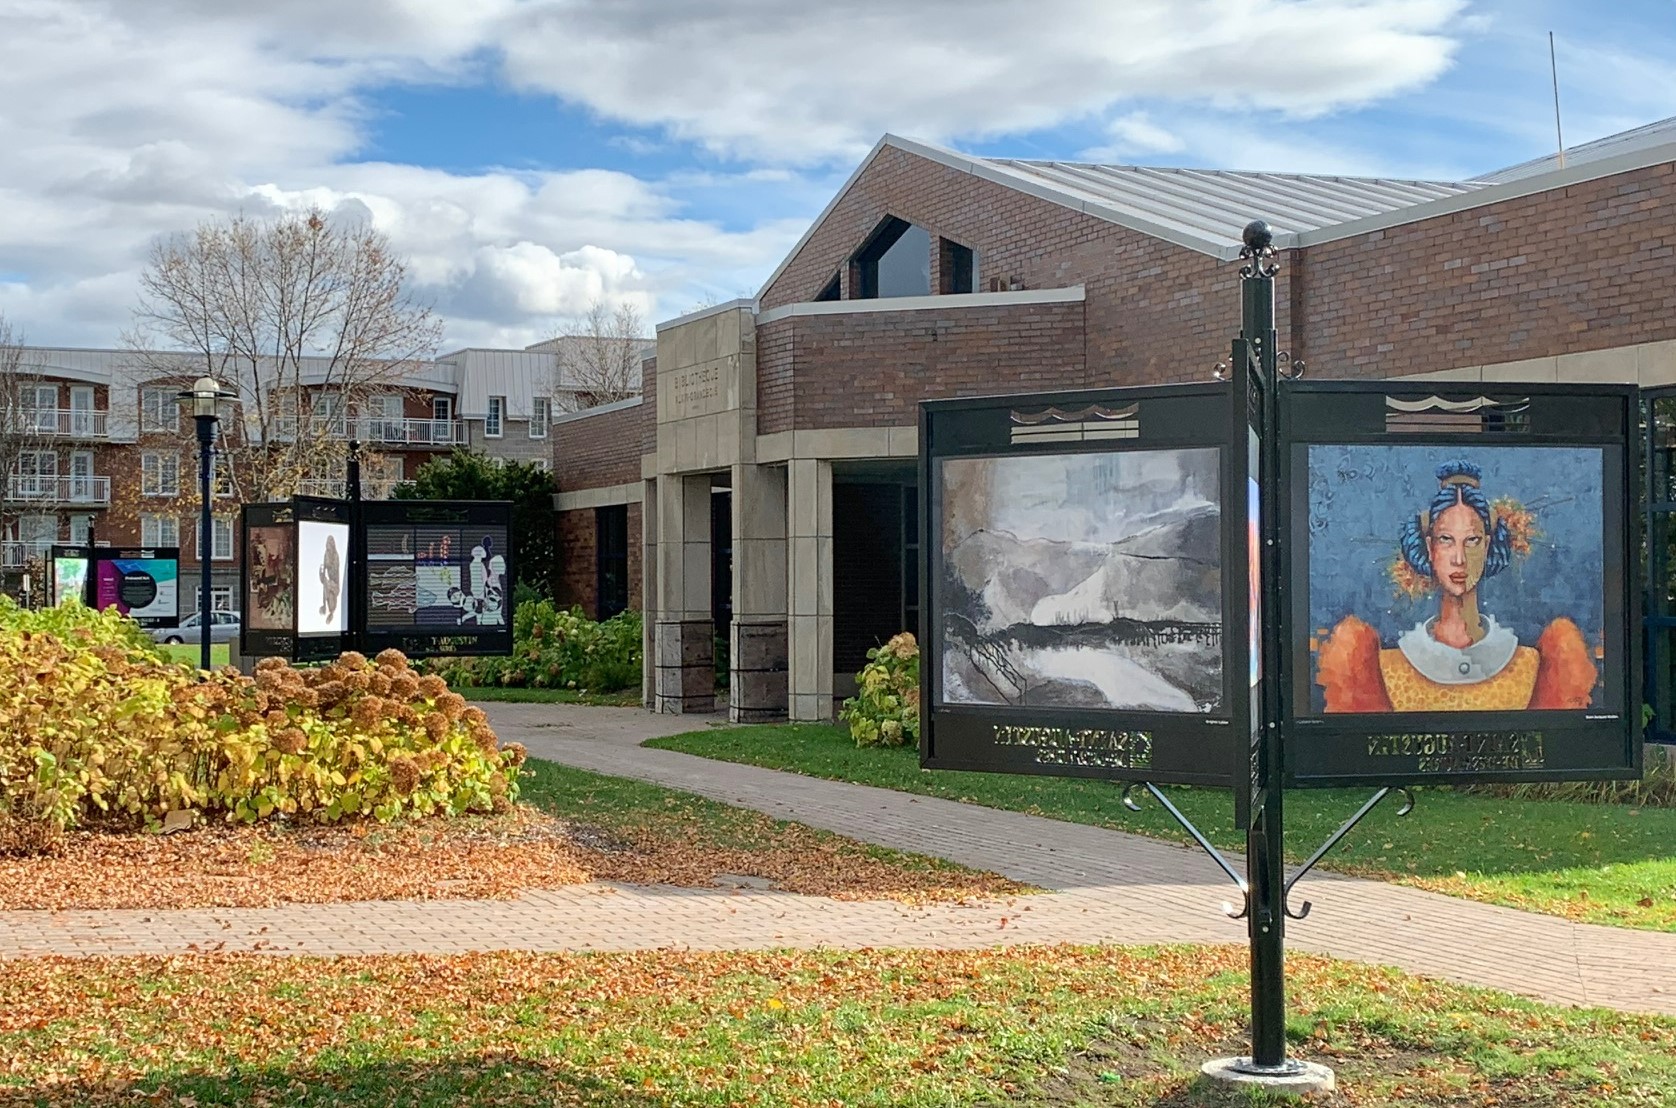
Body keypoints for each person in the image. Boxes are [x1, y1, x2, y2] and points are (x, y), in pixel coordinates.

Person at [1316, 461, 1596, 712]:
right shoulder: (1392, 667)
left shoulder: (1527, 665)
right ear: (1430, 547)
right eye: (1446, 540)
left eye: (1472, 541)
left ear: (1487, 546)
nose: (1459, 559)